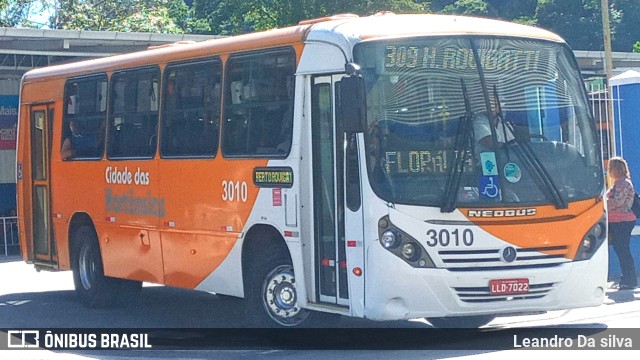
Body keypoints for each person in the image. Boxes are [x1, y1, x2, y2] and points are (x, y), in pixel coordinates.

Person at [606, 157, 638, 290]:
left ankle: (630, 279)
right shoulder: (618, 183)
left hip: (622, 221)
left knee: (623, 249)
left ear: (616, 169)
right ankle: (626, 277)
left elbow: (617, 202)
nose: (608, 171)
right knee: (620, 249)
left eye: (610, 168)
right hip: (617, 221)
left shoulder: (624, 184)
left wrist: (602, 204)